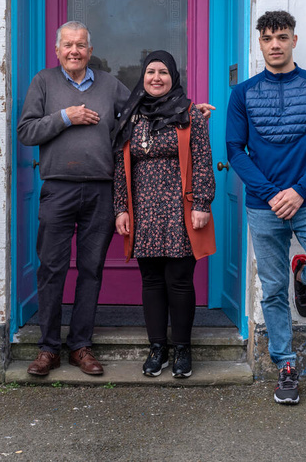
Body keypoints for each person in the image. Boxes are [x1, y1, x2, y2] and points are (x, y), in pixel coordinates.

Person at [226, 10, 306, 405]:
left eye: (282, 37)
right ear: (260, 43)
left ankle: (304, 274)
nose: (275, 44)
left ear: (294, 40)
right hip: (264, 206)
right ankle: (285, 364)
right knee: (273, 289)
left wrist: (298, 190)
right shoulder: (242, 93)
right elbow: (235, 150)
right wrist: (270, 194)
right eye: (267, 38)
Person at [16, 21, 131, 377]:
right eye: (67, 45)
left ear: (90, 51)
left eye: (81, 45)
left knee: (91, 270)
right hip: (58, 189)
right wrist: (66, 117)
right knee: (51, 269)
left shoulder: (110, 85)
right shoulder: (43, 82)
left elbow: (140, 116)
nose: (74, 51)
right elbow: (26, 131)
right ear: (57, 50)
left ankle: (81, 345)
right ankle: (48, 348)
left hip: (101, 190)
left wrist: (186, 113)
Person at [112, 50, 215, 379]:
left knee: (180, 281)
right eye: (150, 72)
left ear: (173, 77)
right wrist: (121, 208)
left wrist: (202, 204)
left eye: (163, 73)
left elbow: (202, 160)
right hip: (143, 212)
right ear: (142, 76)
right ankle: (157, 348)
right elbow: (121, 166)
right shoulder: (131, 115)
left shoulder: (189, 113)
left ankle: (183, 348)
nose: (156, 78)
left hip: (180, 211)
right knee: (152, 281)